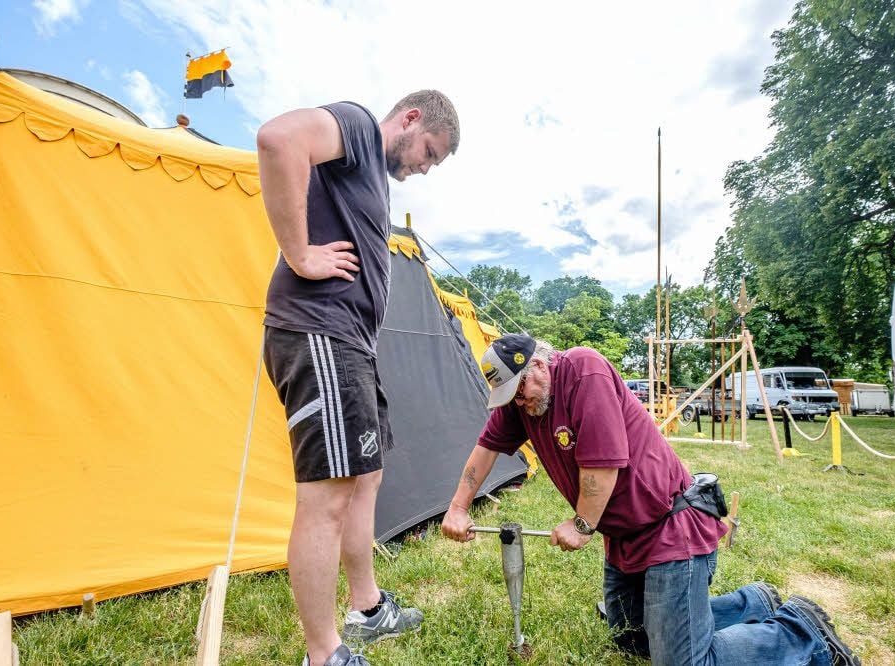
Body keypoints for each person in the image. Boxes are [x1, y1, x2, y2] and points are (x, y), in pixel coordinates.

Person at [442, 334, 861, 666]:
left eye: (521, 390)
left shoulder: (585, 371)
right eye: (511, 396)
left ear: (537, 363)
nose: (520, 401)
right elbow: (485, 450)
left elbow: (602, 469)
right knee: (628, 638)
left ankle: (801, 631)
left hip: (670, 528)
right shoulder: (523, 402)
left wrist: (582, 524)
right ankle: (753, 603)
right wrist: (458, 507)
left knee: (684, 661)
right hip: (625, 538)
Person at [256, 90, 460, 666]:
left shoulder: (371, 170)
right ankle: (324, 654)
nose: (424, 167)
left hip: (352, 345)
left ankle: (367, 609)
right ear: (411, 118)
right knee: (326, 496)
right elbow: (279, 139)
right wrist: (299, 254)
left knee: (366, 475)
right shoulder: (358, 127)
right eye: (429, 153)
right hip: (319, 333)